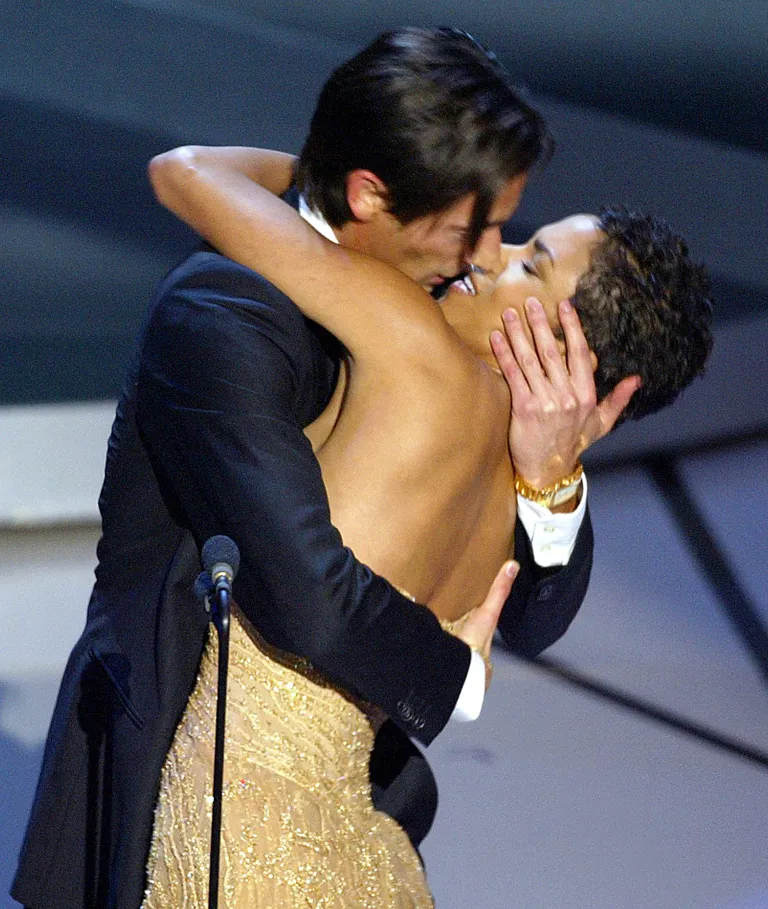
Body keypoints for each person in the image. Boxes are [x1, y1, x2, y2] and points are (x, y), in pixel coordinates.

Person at [12, 28, 604, 909]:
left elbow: (530, 615)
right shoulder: (223, 314)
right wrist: (453, 673)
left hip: (359, 807)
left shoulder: (432, 306)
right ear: (372, 193)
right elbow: (309, 589)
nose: (485, 252)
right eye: (468, 224)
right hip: (187, 802)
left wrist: (552, 475)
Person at [143, 144, 712, 906]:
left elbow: (186, 173)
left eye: (530, 263)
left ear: (567, 349)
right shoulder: (522, 487)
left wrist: (371, 189)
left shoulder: (408, 337)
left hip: (243, 829)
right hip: (374, 858)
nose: (488, 250)